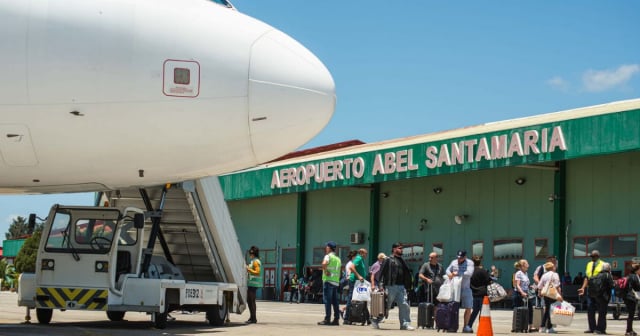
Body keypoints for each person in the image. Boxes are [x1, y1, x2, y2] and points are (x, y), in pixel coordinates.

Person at [375, 242, 414, 330]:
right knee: (385, 306)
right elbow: (381, 273)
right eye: (399, 248)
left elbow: (406, 274)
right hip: (390, 286)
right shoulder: (388, 259)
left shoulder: (402, 260)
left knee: (404, 304)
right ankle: (376, 320)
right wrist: (380, 286)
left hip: (401, 287)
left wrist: (408, 286)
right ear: (394, 249)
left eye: (402, 248)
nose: (401, 250)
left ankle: (405, 324)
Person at [578, 250, 609, 334]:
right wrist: (583, 287)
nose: (592, 258)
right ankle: (592, 327)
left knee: (601, 310)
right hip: (590, 290)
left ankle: (601, 328)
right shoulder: (589, 264)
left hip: (600, 290)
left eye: (594, 256)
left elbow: (607, 277)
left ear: (598, 256)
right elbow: (587, 278)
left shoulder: (603, 264)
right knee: (590, 308)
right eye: (591, 256)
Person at [446, 250, 474, 333]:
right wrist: (449, 274)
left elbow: (469, 273)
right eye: (458, 257)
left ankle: (465, 326)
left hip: (465, 288)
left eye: (461, 258)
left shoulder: (470, 263)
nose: (459, 259)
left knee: (468, 307)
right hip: (454, 288)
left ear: (465, 257)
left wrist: (457, 273)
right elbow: (447, 270)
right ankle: (452, 326)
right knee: (453, 307)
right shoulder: (453, 262)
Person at [318, 241, 341, 326]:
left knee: (327, 301)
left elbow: (324, 264)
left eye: (326, 247)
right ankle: (336, 319)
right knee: (335, 302)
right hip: (335, 282)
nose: (326, 248)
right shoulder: (338, 258)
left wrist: (326, 271)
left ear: (329, 248)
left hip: (328, 281)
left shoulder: (328, 256)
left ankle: (327, 319)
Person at [466, 256, 491, 333]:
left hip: (474, 294)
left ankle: (469, 326)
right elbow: (488, 281)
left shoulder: (470, 272)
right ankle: (482, 326)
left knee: (475, 311)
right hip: (483, 294)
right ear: (480, 262)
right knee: (483, 312)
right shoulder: (483, 271)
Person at [344, 248, 369, 325]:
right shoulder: (358, 258)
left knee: (362, 298)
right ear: (361, 253)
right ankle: (347, 318)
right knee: (351, 298)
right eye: (365, 253)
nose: (366, 255)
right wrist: (359, 276)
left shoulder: (360, 259)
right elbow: (351, 267)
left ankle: (366, 317)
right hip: (354, 281)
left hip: (359, 282)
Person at [538, 261, 563, 333]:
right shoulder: (555, 275)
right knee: (551, 311)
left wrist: (540, 292)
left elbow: (540, 285)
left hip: (546, 294)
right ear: (552, 267)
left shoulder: (544, 275)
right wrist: (560, 295)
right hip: (553, 294)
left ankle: (542, 327)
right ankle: (549, 327)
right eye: (554, 266)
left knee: (547, 310)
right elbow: (557, 286)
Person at [513, 259, 536, 332]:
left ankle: (530, 326)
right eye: (527, 263)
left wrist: (531, 286)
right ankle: (518, 326)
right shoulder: (518, 273)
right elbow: (518, 285)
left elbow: (526, 284)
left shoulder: (526, 273)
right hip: (520, 294)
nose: (528, 264)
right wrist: (522, 292)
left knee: (530, 309)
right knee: (520, 310)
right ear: (523, 265)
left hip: (526, 293)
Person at [622, 263, 640, 336]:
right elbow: (637, 287)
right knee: (631, 314)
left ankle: (630, 329)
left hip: (627, 297)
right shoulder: (635, 277)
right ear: (637, 270)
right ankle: (628, 330)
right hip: (631, 297)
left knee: (631, 314)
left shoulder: (628, 276)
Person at [246, 245, 262, 324]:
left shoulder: (256, 261)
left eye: (250, 253)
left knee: (251, 301)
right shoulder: (254, 261)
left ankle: (253, 318)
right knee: (249, 300)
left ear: (252, 254)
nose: (249, 255)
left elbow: (258, 272)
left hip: (253, 283)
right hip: (251, 283)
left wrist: (248, 269)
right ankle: (252, 317)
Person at [341, 250, 357, 320]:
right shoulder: (350, 264)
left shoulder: (351, 263)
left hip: (352, 282)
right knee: (351, 298)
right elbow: (349, 274)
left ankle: (344, 309)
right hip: (351, 282)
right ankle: (344, 311)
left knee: (353, 299)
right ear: (353, 256)